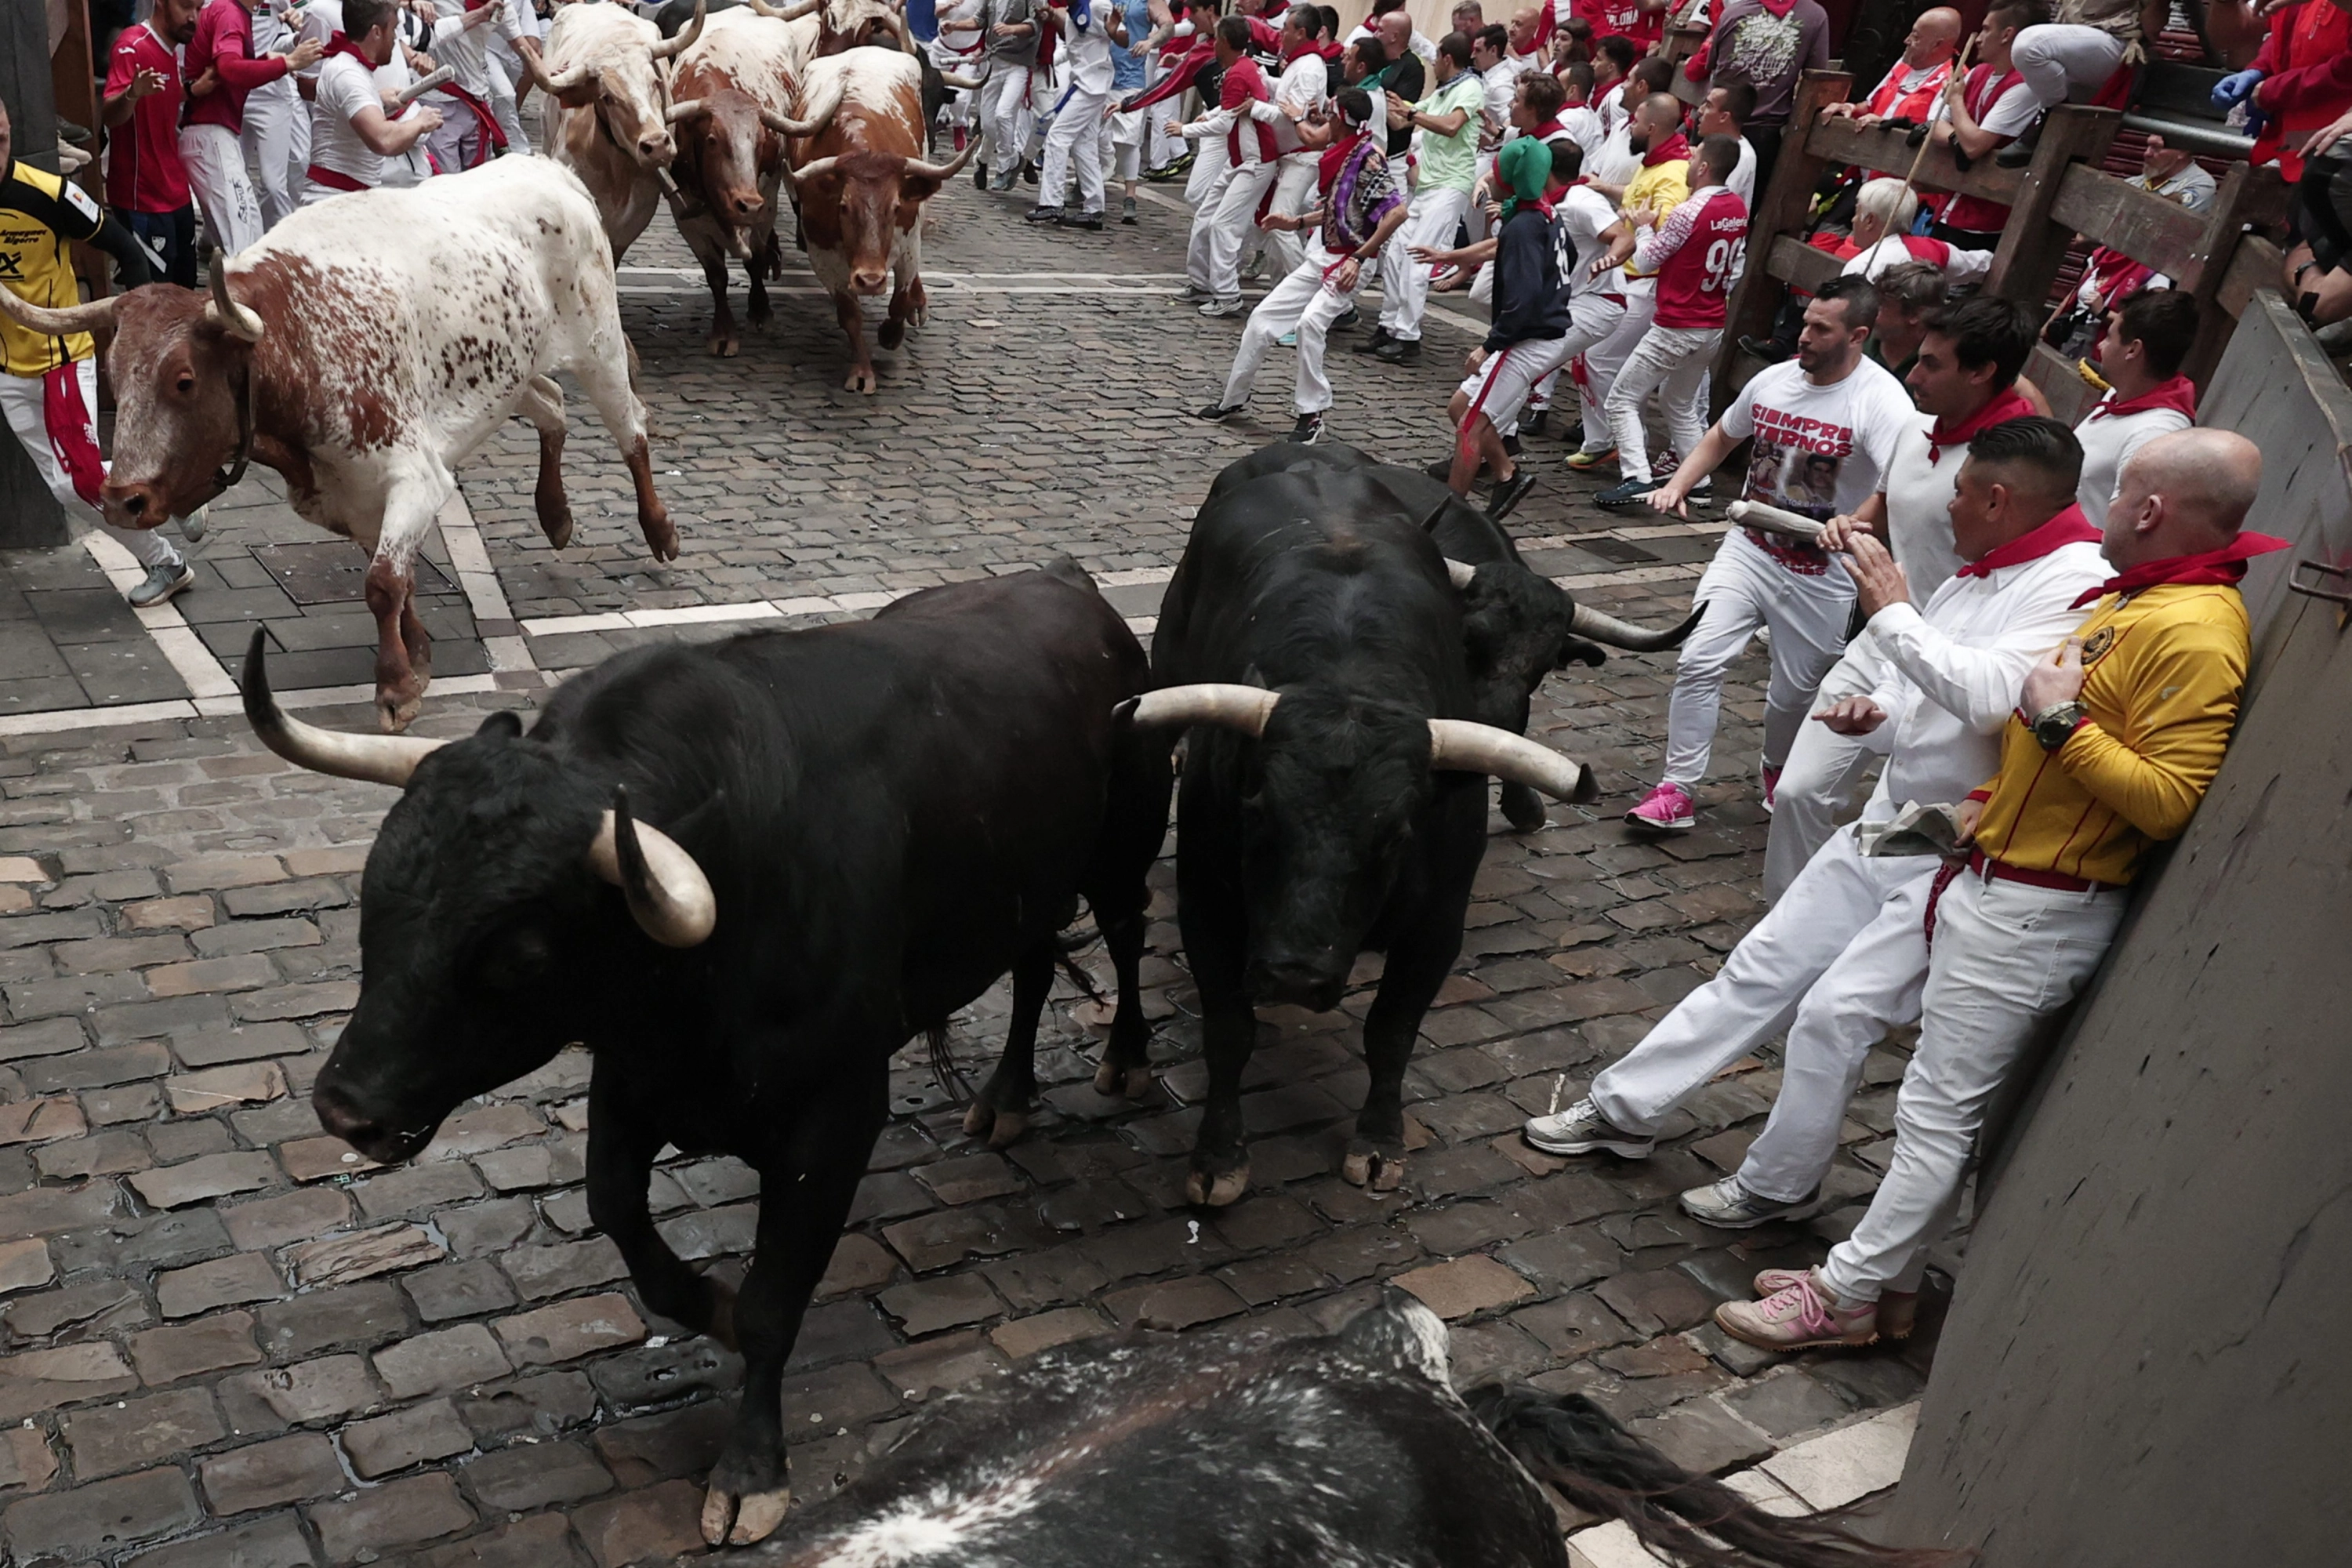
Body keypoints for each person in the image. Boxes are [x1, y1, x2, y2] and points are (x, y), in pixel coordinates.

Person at [1716, 426, 2277, 1350]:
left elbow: (2168, 798)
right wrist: (1993, 794)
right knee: (1927, 1100)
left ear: (2149, 510)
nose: (2103, 504)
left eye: (2122, 486)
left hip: (2037, 907)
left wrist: (2056, 722)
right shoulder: (2145, 604)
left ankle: (1847, 1292)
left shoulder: (2191, 630)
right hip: (2003, 880)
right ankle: (1885, 1284)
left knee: (1938, 1113)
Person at [1526, 420, 2110, 1255]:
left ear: (1997, 498)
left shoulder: (2076, 581)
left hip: (1963, 845)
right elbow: (1926, 700)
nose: (1946, 505)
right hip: (1899, 820)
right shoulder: (1986, 569)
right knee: (1763, 963)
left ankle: (1779, 1184)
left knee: (1835, 1014)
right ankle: (1624, 1108)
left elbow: (1992, 697)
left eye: (1959, 491)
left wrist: (1897, 610)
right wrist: (1875, 719)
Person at [1766, 296, 2042, 896]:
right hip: (1883, 633)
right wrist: (1853, 524)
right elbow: (1884, 507)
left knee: (1915, 825)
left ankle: (1880, 921)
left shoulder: (2019, 460)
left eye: (1932, 365)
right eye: (1916, 360)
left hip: (1952, 660)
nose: (1912, 376)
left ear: (1982, 372)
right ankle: (1792, 918)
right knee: (1797, 789)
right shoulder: (1917, 429)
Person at [1623, 276, 1915, 833]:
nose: (1802, 336)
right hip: (1749, 550)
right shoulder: (1774, 381)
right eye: (1805, 322)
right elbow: (1721, 437)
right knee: (1699, 659)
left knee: (1794, 693)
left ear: (1856, 336)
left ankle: (1777, 768)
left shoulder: (1880, 402)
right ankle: (1676, 789)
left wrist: (1854, 522)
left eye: (1819, 329)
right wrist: (1680, 483)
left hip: (1823, 571)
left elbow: (1900, 481)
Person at [0, 96, 196, 608]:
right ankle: (173, 483)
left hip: (57, 359)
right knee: (69, 483)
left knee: (78, 485)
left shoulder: (49, 194)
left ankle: (166, 559)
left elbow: (128, 251)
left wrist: (145, 338)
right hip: (7, 369)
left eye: (0, 138)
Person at [1194, 89, 1408, 442]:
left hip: (1348, 262)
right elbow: (1340, 209)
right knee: (1263, 318)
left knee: (1310, 324)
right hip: (1323, 255)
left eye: (1329, 114)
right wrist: (1294, 222)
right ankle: (1234, 399)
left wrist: (1358, 257)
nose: (1324, 119)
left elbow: (1397, 212)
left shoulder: (1368, 158)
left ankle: (1311, 413)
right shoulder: (1346, 152)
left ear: (1340, 119)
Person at [1595, 133, 1748, 508]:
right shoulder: (1737, 208)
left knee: (1622, 398)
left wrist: (1644, 225)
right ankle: (1698, 480)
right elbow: (1736, 269)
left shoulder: (1687, 211)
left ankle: (1637, 477)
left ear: (1705, 167)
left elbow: (1647, 260)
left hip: (1677, 322)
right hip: (1710, 321)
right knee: (1678, 401)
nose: (1689, 161)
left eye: (1694, 155)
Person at [1439, 136, 1571, 512]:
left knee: (1469, 426)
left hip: (1527, 338)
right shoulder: (1545, 213)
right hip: (1536, 332)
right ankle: (1507, 473)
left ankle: (1453, 514)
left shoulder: (1524, 225)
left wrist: (1490, 344)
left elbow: (1524, 296)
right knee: (1459, 405)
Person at [1564, 89, 1687, 474]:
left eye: (1635, 121)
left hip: (1647, 282)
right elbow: (1638, 208)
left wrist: (1641, 223)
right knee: (1594, 358)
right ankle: (1604, 439)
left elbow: (1666, 226)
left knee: (1598, 357)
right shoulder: (1654, 164)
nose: (1628, 126)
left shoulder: (1673, 172)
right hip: (1632, 276)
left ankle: (1616, 441)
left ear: (1651, 127)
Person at [1356, 31, 1483, 363]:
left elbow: (1452, 125)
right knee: (1397, 253)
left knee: (1416, 259)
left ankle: (1408, 337)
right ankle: (1388, 326)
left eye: (1435, 60)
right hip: (1427, 186)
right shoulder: (1444, 90)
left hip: (1451, 185)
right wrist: (1379, 101)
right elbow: (1405, 119)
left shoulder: (1470, 88)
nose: (1433, 67)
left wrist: (1411, 115)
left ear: (1446, 59)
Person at [183, 0, 325, 252]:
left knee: (251, 225)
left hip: (218, 130)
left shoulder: (236, 11)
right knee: (243, 242)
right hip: (209, 133)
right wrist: (288, 63)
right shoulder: (229, 11)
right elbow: (229, 69)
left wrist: (268, 60)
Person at [1173, 16, 1278, 317]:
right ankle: (1202, 282)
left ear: (1225, 42)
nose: (1212, 43)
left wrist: (1185, 130)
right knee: (1206, 217)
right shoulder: (1243, 69)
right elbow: (1230, 110)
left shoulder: (1238, 73)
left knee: (1222, 225)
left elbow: (1225, 121)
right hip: (1241, 159)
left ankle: (1227, 293)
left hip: (1254, 162)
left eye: (1216, 39)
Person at [2073, 289, 2199, 528]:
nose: (2101, 345)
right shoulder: (2122, 392)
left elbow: (2127, 533)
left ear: (2133, 349)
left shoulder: (2153, 436)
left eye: (2109, 337)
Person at [102, 0, 202, 288]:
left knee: (185, 289)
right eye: (185, 7)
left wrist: (194, 90)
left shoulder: (171, 50)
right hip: (142, 197)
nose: (193, 18)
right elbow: (110, 115)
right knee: (152, 301)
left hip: (176, 191)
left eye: (199, 8)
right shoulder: (132, 46)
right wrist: (132, 93)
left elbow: (161, 102)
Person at [1925, 1, 2038, 248]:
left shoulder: (2025, 86)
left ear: (2007, 35)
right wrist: (1958, 140)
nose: (1977, 38)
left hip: (1985, 221)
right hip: (1948, 206)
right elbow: (1934, 122)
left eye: (1986, 29)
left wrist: (1955, 100)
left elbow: (1976, 146)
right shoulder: (1978, 73)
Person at [303, 0, 441, 198]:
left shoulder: (352, 68)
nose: (395, 40)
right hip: (333, 199)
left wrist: (379, 99)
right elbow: (384, 140)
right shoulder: (347, 74)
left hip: (347, 197)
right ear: (376, 32)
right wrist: (421, 122)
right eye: (393, 31)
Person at [1690, 0, 1829, 185]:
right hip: (1763, 132)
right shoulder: (1815, 16)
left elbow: (1712, 62)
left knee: (1690, 193)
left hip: (1716, 119)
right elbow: (1817, 74)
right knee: (1740, 206)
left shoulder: (1734, 12)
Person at [2002, 0, 2159, 162]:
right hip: (2071, 41)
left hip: (2115, 44)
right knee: (2068, 155)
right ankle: (2055, 128)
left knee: (2029, 45)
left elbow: (2153, 30)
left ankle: (2049, 122)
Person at [1244, 4, 1332, 273]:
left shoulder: (1308, 68)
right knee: (1274, 225)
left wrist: (1254, 107)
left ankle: (1301, 286)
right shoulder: (1301, 62)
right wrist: (1263, 78)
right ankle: (1281, 289)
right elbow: (1285, 98)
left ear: (1301, 33)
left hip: (1301, 157)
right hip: (1290, 155)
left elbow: (1296, 115)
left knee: (1280, 224)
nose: (1281, 33)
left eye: (1286, 29)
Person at [1031, 0, 1116, 227]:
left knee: (1057, 137)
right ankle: (1094, 208)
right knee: (1084, 144)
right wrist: (1050, 15)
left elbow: (1120, 36)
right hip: (1085, 83)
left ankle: (1052, 204)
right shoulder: (1073, 11)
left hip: (1092, 85)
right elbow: (1075, 38)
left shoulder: (1099, 6)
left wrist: (1116, 29)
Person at [1824, 6, 1962, 125]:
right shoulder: (1905, 62)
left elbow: (1931, 134)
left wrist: (1884, 124)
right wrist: (1850, 108)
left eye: (1916, 37)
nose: (1906, 40)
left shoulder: (1955, 81)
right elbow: (1870, 105)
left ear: (1937, 45)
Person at [977, 0, 1041, 194]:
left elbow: (1035, 25)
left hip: (1019, 65)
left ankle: (1004, 167)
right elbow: (978, 20)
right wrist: (954, 26)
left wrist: (1011, 28)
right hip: (993, 63)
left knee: (1003, 114)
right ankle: (1013, 158)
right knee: (987, 125)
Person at [1696, 82, 1759, 209]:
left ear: (1724, 117)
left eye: (1708, 106)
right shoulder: (1711, 143)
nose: (1700, 111)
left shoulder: (1742, 156)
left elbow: (1714, 205)